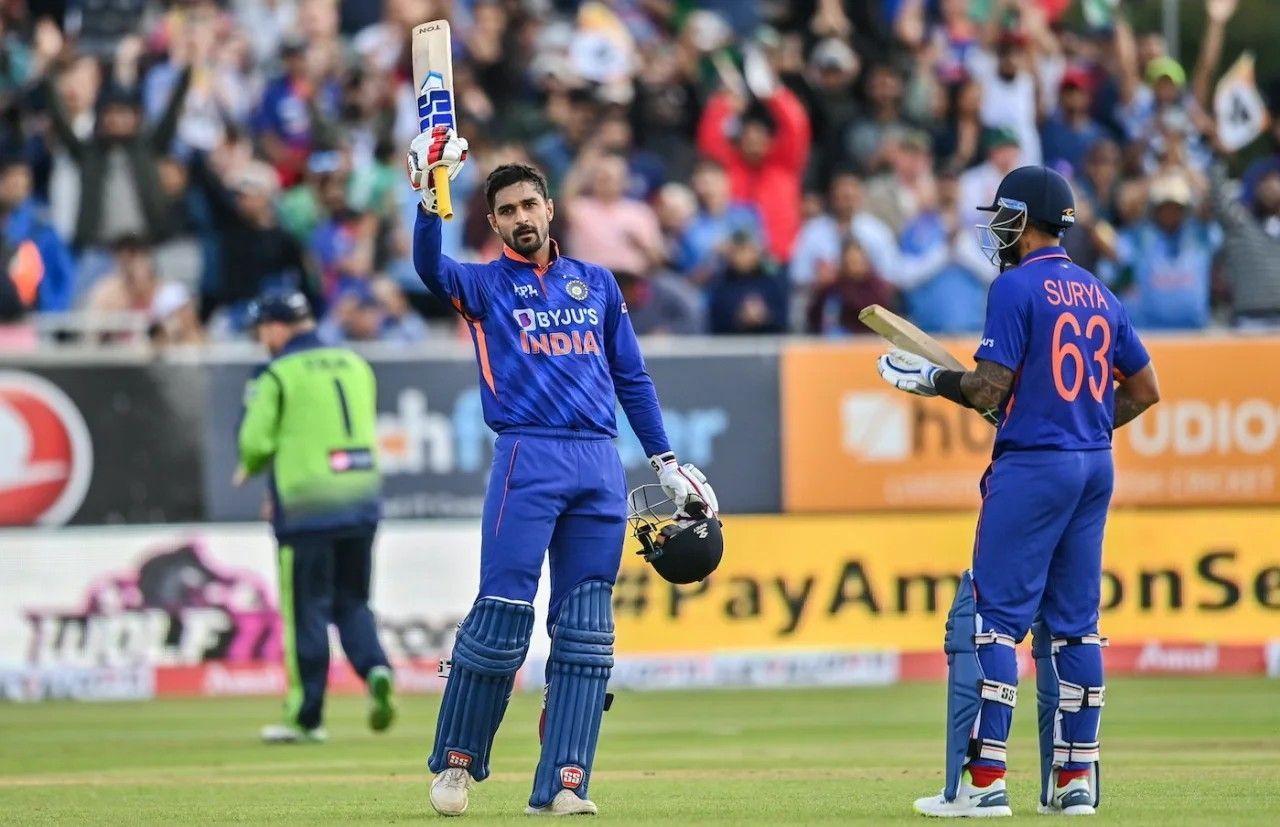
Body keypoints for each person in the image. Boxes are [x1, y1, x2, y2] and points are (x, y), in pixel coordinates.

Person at [406, 126, 718, 817]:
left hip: (599, 460)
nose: (521, 217)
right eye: (507, 210)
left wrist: (665, 461)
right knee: (502, 617)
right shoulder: (484, 284)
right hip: (528, 454)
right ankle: (458, 762)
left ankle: (565, 782)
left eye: (530, 205)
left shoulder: (597, 283)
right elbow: (430, 268)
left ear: (550, 210)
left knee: (585, 631)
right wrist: (431, 196)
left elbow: (631, 376)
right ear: (494, 223)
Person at [877, 166, 1160, 817]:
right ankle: (1074, 780)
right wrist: (1077, 420)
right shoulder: (1098, 290)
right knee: (1075, 630)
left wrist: (931, 381)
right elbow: (1145, 390)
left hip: (1034, 466)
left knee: (994, 622)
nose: (997, 230)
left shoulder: (1013, 286)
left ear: (1024, 220)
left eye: (1004, 217)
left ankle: (985, 783)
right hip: (1094, 464)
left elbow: (985, 388)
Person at [234, 287, 395, 745]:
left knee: (306, 609)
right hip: (362, 500)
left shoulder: (275, 372)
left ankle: (306, 717)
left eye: (262, 329)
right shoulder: (354, 363)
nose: (262, 339)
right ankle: (377, 668)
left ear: (276, 326)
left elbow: (255, 442)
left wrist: (250, 468)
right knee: (353, 601)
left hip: (306, 509)